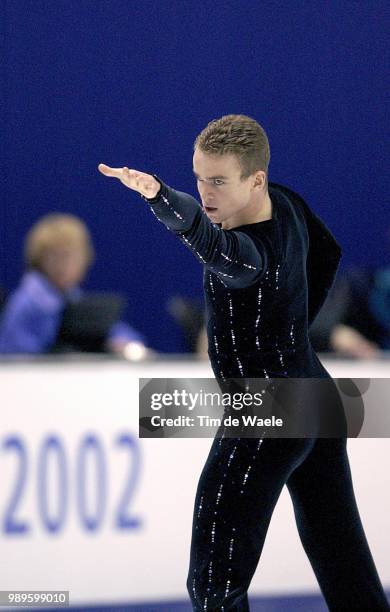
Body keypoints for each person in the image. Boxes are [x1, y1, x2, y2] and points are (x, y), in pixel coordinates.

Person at [98, 114, 389, 611]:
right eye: (198, 178)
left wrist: (159, 196)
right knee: (345, 567)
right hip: (314, 395)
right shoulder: (289, 202)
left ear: (255, 179)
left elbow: (212, 245)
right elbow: (327, 253)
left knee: (213, 583)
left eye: (218, 182)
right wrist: (292, 328)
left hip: (266, 411)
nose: (206, 193)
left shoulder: (250, 254)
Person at [0, 213, 148, 357]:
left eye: (70, 257)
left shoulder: (74, 299)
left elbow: (114, 331)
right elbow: (16, 356)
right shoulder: (25, 303)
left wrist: (125, 344)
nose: (63, 266)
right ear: (38, 258)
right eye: (54, 257)